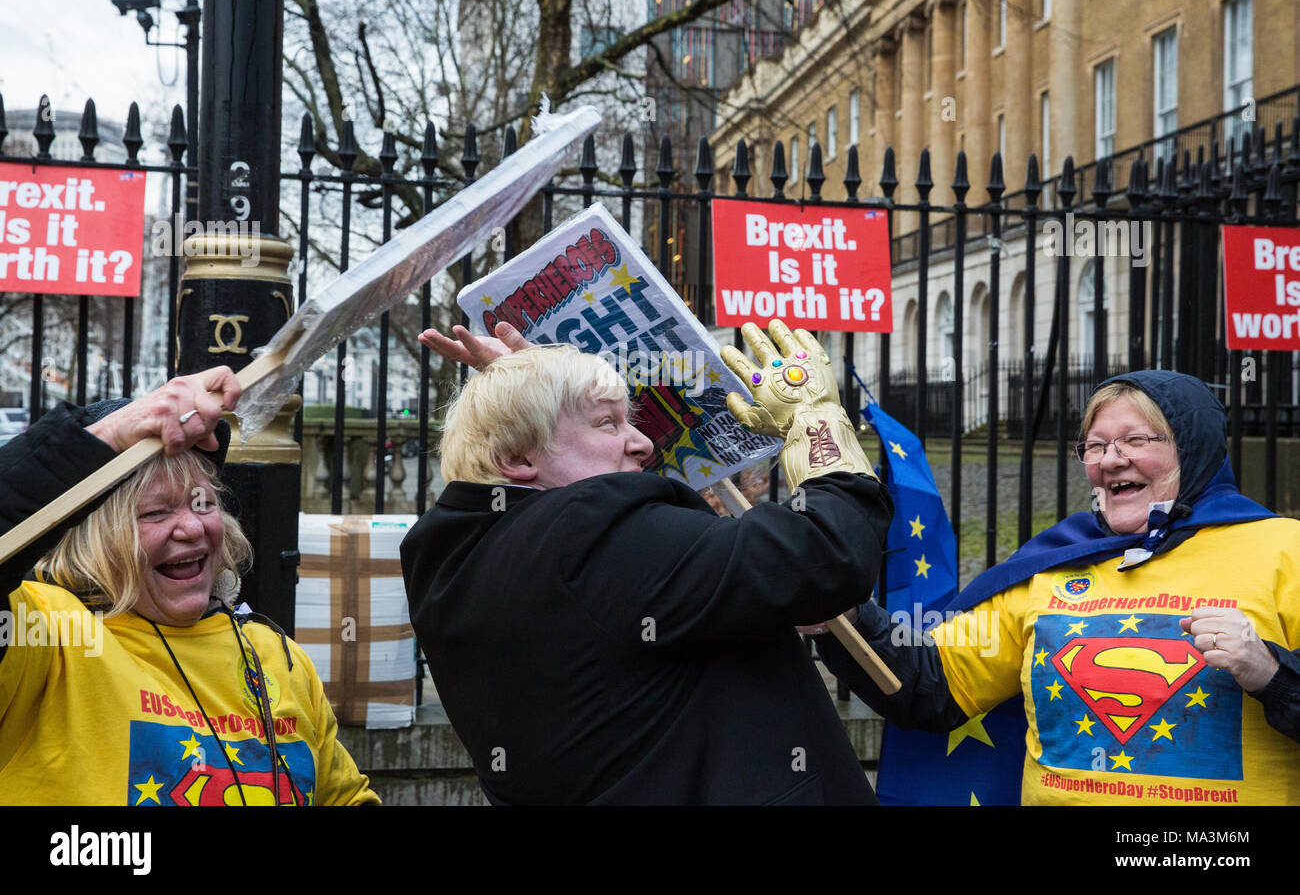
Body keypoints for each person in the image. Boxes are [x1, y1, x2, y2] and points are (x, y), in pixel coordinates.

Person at [401, 320, 893, 804]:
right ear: (515, 456)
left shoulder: (451, 557)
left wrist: (530, 398)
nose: (643, 443)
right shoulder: (588, 531)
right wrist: (817, 418)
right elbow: (827, 554)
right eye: (608, 423)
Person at [816, 369, 1300, 804]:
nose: (1111, 460)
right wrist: (837, 608)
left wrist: (1272, 675)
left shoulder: (1284, 551)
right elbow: (932, 683)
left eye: (1135, 439)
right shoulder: (1054, 564)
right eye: (1095, 444)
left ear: (1193, 448)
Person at [0, 367, 379, 805]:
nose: (191, 528)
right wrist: (107, 436)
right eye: (156, 513)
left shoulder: (276, 655)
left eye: (203, 503)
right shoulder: (45, 632)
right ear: (92, 538)